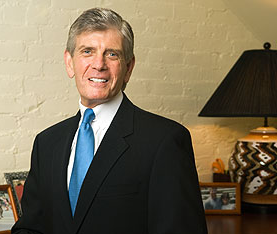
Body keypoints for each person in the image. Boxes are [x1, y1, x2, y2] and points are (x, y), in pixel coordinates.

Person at [11, 7, 207, 234]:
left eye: (112, 54)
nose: (99, 64)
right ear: (69, 62)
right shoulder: (46, 143)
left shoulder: (165, 141)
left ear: (128, 68)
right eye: (87, 51)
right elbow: (31, 228)